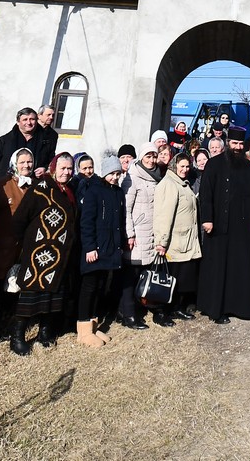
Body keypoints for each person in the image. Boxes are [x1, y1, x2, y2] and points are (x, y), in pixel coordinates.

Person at [8, 150, 78, 355]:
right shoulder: (42, 187)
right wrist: (24, 245)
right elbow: (21, 218)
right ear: (54, 169)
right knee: (31, 294)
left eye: (69, 168)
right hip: (37, 253)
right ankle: (17, 337)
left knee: (53, 294)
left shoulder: (69, 191)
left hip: (60, 254)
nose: (66, 172)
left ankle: (45, 333)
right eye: (62, 168)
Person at [197, 127, 250, 323]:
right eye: (234, 144)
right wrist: (207, 219)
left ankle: (240, 307)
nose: (237, 147)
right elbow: (206, 194)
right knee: (219, 268)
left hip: (242, 228)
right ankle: (217, 310)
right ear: (228, 144)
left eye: (240, 144)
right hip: (218, 226)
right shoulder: (214, 164)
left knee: (239, 267)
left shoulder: (249, 168)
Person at [0, 147, 35, 339]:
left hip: (21, 251)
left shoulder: (34, 186)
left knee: (12, 292)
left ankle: (2, 329)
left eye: (29, 162)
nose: (26, 165)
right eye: (22, 162)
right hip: (0, 248)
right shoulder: (2, 186)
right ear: (14, 164)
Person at [76, 155, 126, 347]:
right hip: (95, 248)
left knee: (100, 287)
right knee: (89, 287)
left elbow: (119, 222)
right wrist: (89, 247)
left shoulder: (118, 192)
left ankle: (94, 325)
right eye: (112, 174)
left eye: (118, 174)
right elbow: (86, 222)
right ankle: (83, 329)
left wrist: (119, 245)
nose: (115, 177)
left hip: (110, 248)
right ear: (104, 172)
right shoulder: (93, 190)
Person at [153, 153, 202, 324]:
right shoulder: (169, 185)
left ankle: (176, 309)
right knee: (169, 280)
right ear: (174, 166)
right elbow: (164, 216)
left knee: (181, 280)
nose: (185, 169)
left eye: (187, 166)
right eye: (181, 166)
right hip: (173, 242)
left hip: (185, 240)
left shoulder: (183, 184)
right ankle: (161, 313)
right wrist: (162, 242)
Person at [118, 143, 160, 330]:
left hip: (150, 233)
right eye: (148, 156)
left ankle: (124, 311)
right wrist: (129, 234)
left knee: (141, 274)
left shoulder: (156, 177)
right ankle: (129, 316)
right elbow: (126, 209)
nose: (151, 160)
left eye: (154, 156)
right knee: (131, 275)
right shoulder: (132, 177)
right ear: (141, 157)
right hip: (136, 234)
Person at [0, 107, 57, 183]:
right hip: (7, 185)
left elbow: (52, 161)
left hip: (34, 186)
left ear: (36, 121)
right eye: (25, 119)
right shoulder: (4, 141)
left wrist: (45, 169)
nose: (29, 123)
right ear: (18, 122)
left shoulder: (46, 141)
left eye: (32, 119)